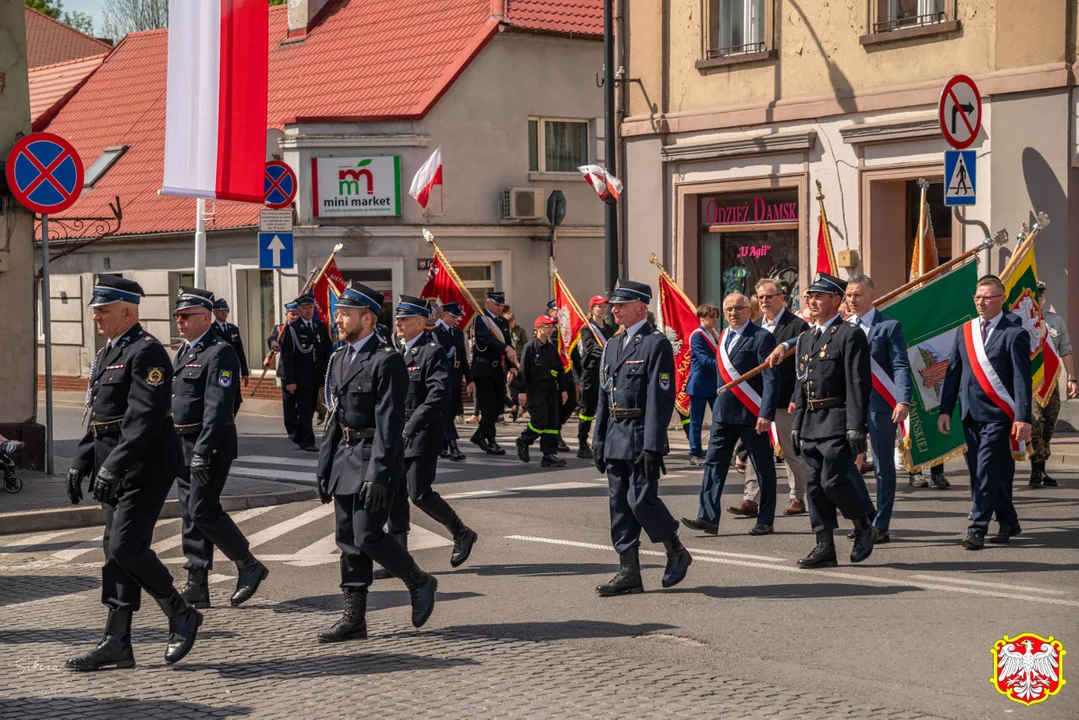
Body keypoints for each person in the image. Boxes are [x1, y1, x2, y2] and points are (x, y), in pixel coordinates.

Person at [65, 274, 201, 670]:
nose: (96, 318)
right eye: (95, 312)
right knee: (115, 553)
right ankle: (117, 642)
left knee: (126, 546)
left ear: (128, 311)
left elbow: (143, 418)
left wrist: (112, 466)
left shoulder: (148, 352)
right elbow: (100, 417)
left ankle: (181, 612)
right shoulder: (108, 353)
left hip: (144, 467)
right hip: (115, 467)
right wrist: (80, 462)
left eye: (103, 311)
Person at [315, 282, 438, 642]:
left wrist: (380, 475)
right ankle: (355, 619)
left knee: (368, 534)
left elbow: (389, 423)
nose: (338, 319)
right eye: (338, 312)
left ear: (367, 318)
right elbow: (334, 422)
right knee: (347, 539)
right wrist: (324, 469)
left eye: (346, 313)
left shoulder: (387, 360)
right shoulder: (338, 359)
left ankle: (418, 580)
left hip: (373, 460)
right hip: (344, 458)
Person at [593, 279, 692, 596]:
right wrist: (598, 439)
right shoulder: (611, 345)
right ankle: (629, 572)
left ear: (641, 307)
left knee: (641, 501)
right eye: (613, 305)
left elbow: (659, 398)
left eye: (621, 304)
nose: (615, 310)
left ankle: (676, 549)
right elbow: (603, 396)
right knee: (619, 505)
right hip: (614, 436)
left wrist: (653, 445)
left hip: (639, 436)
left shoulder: (655, 344)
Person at [171, 287, 268, 609]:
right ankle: (196, 582)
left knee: (202, 510)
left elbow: (221, 405)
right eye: (177, 316)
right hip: (182, 443)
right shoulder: (184, 352)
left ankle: (248, 564)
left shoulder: (220, 351)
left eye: (186, 316)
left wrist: (204, 447)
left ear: (205, 316)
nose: (180, 322)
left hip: (207, 446)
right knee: (189, 514)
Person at [384, 295, 478, 572]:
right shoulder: (393, 351)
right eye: (397, 318)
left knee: (419, 493)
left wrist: (412, 426)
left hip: (421, 434)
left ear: (421, 322)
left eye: (405, 319)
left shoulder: (431, 351)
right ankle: (398, 559)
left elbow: (439, 394)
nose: (398, 323)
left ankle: (461, 532)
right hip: (394, 433)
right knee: (394, 493)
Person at [938, 275, 1031, 549]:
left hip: (998, 416)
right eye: (977, 297)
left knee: (987, 471)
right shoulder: (965, 331)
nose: (981, 302)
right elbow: (953, 372)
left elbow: (1020, 380)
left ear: (1001, 299)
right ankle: (1009, 521)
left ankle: (977, 528)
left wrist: (1023, 417)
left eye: (987, 297)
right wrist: (946, 410)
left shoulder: (1015, 333)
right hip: (970, 414)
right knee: (984, 473)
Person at [790, 273, 875, 568]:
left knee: (833, 481)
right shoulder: (805, 337)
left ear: (836, 301)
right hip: (812, 421)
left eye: (819, 296)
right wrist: (797, 424)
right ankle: (824, 545)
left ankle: (863, 522)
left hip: (838, 419)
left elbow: (857, 383)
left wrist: (856, 426)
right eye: (809, 297)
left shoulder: (849, 334)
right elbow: (801, 384)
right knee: (813, 486)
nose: (812, 302)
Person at [682, 293, 779, 536]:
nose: (733, 313)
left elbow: (770, 379)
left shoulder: (761, 337)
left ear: (749, 311)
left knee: (763, 469)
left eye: (738, 308)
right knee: (713, 466)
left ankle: (766, 519)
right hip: (723, 415)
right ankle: (708, 517)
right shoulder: (723, 336)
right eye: (728, 310)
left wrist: (766, 413)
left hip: (751, 415)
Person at [841, 274, 912, 544]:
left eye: (858, 294)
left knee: (883, 468)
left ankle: (881, 525)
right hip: (850, 408)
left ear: (872, 296)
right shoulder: (843, 325)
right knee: (845, 466)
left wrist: (902, 400)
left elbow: (900, 366)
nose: (852, 299)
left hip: (881, 406)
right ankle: (866, 517)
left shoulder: (889, 327)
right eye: (849, 295)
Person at [733, 278, 809, 518]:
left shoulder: (798, 326)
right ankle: (750, 498)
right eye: (761, 297)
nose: (764, 301)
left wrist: (798, 395)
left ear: (782, 298)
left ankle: (797, 497)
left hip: (786, 399)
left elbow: (803, 367)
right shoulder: (754, 327)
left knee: (790, 451)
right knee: (757, 450)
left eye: (769, 296)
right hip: (759, 401)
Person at [1030, 281, 1077, 486]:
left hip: (1051, 385)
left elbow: (1065, 350)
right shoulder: (1023, 322)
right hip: (1030, 384)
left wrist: (1072, 378)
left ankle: (1042, 468)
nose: (1039, 299)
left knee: (1049, 425)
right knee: (1035, 422)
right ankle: (1035, 467)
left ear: (1044, 297)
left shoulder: (1055, 321)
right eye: (1035, 296)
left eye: (1041, 295)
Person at [513, 315, 570, 467]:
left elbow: (559, 370)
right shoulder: (530, 347)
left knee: (552, 424)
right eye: (546, 326)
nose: (550, 329)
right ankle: (524, 440)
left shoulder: (552, 349)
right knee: (540, 421)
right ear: (538, 328)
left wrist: (563, 389)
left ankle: (549, 454)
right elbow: (523, 370)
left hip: (551, 390)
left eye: (551, 326)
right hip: (535, 390)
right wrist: (522, 391)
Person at [279, 293, 332, 452]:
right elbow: (287, 357)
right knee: (305, 409)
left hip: (316, 376)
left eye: (310, 308)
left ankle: (299, 436)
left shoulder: (319, 326)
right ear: (299, 310)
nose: (308, 311)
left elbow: (327, 350)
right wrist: (290, 380)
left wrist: (329, 372)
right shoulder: (293, 329)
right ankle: (308, 441)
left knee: (309, 408)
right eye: (304, 308)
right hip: (300, 377)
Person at [470, 292, 517, 454]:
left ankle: (479, 435)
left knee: (498, 407)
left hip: (497, 369)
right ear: (488, 303)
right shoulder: (481, 320)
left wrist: (511, 364)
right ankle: (489, 439)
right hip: (483, 369)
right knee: (488, 407)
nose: (500, 307)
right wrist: (505, 348)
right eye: (497, 304)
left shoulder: (503, 321)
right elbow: (485, 339)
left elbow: (508, 342)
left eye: (501, 305)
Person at [576, 295, 613, 459]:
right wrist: (608, 353)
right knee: (587, 409)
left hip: (606, 372)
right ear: (592, 309)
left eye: (605, 307)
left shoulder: (610, 328)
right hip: (591, 372)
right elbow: (590, 348)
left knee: (607, 408)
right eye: (599, 307)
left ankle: (604, 441)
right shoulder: (587, 328)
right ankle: (582, 442)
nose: (603, 310)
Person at [434, 302, 473, 461]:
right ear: (443, 315)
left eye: (457, 317)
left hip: (456, 376)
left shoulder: (458, 333)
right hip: (443, 376)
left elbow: (463, 357)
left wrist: (469, 379)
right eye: (452, 316)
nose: (455, 320)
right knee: (445, 412)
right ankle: (453, 446)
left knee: (450, 413)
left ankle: (441, 446)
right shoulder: (436, 333)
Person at [685, 303, 720, 465]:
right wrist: (722, 368)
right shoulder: (698, 335)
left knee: (719, 418)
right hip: (699, 382)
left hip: (714, 383)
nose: (714, 320)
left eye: (715, 316)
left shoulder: (713, 334)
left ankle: (714, 450)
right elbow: (703, 358)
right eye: (711, 316)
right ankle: (695, 452)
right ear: (702, 318)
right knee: (696, 421)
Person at [268, 303, 300, 440]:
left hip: (301, 371)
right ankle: (291, 429)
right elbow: (272, 339)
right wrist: (273, 343)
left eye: (297, 313)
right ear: (286, 314)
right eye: (292, 314)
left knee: (303, 402)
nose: (294, 316)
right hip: (286, 370)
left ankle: (301, 428)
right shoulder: (280, 328)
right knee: (289, 403)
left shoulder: (302, 327)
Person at [547, 300, 575, 453]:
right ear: (550, 311)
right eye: (555, 310)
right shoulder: (546, 327)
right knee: (556, 405)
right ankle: (555, 435)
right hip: (554, 373)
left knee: (571, 403)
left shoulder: (566, 328)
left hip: (567, 370)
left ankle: (557, 427)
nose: (558, 313)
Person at [211, 297, 249, 387]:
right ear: (214, 312)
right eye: (220, 310)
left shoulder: (233, 329)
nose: (224, 312)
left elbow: (240, 351)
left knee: (235, 397)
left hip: (232, 367)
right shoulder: (211, 330)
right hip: (218, 368)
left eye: (226, 310)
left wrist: (245, 372)